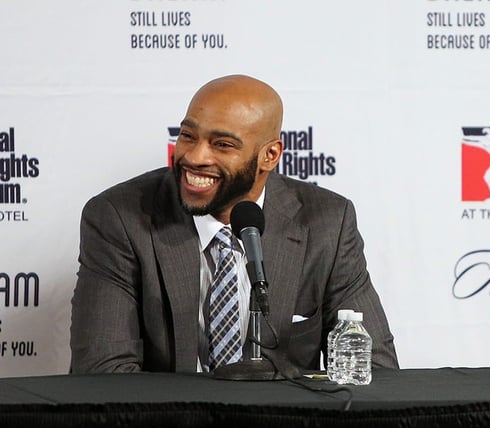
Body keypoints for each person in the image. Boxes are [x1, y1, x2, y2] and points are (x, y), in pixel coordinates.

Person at [70, 75, 399, 374]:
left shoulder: (327, 221)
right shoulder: (120, 219)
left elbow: (372, 369)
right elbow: (103, 374)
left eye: (222, 145)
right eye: (187, 136)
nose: (195, 157)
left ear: (269, 156)